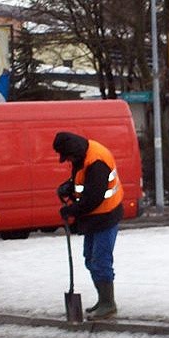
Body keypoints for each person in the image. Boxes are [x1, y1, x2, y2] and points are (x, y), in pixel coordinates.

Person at [53, 132, 124, 320]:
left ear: (73, 152)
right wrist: (68, 186)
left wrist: (71, 211)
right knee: (90, 258)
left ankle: (108, 304)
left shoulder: (96, 162)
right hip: (95, 217)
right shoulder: (82, 155)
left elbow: (93, 198)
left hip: (106, 216)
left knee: (100, 260)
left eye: (66, 157)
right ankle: (103, 300)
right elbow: (82, 181)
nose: (66, 160)